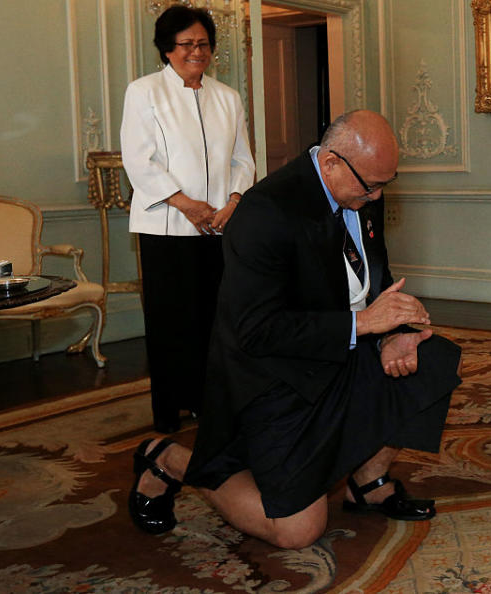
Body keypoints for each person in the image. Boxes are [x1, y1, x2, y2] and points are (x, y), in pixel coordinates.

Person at [126, 110, 462, 549]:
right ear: (331, 163)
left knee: (428, 360)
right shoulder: (266, 212)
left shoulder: (357, 194)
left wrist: (391, 333)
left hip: (336, 355)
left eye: (386, 184)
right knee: (298, 530)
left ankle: (369, 483)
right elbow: (257, 331)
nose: (378, 196)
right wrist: (362, 324)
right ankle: (170, 460)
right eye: (371, 185)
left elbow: (370, 279)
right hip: (277, 382)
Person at [121, 6, 255, 434]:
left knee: (216, 320)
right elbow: (138, 161)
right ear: (166, 49)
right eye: (186, 45)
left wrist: (234, 201)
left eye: (203, 44)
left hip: (219, 225)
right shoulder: (143, 92)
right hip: (166, 227)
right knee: (170, 321)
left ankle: (208, 400)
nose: (196, 52)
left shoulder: (227, 97)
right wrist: (186, 204)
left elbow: (243, 160)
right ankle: (168, 409)